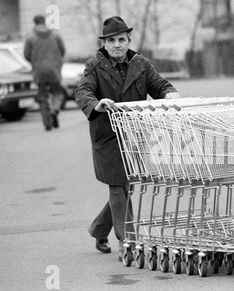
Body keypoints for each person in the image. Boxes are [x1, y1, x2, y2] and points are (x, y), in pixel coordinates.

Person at [75, 16, 180, 261]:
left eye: (121, 39)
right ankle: (129, 240)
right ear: (105, 43)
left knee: (126, 186)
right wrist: (96, 104)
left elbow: (158, 84)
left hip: (134, 134)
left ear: (128, 41)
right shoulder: (95, 65)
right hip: (107, 134)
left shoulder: (140, 63)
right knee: (117, 184)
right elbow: (83, 90)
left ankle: (99, 230)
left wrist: (169, 93)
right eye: (111, 40)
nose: (116, 45)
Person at [24, 14, 66, 131]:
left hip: (39, 71)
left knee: (42, 97)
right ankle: (55, 110)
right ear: (44, 21)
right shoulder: (55, 35)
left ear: (34, 22)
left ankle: (47, 123)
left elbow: (26, 54)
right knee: (57, 93)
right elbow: (63, 50)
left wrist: (35, 62)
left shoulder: (30, 37)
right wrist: (56, 62)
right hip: (54, 70)